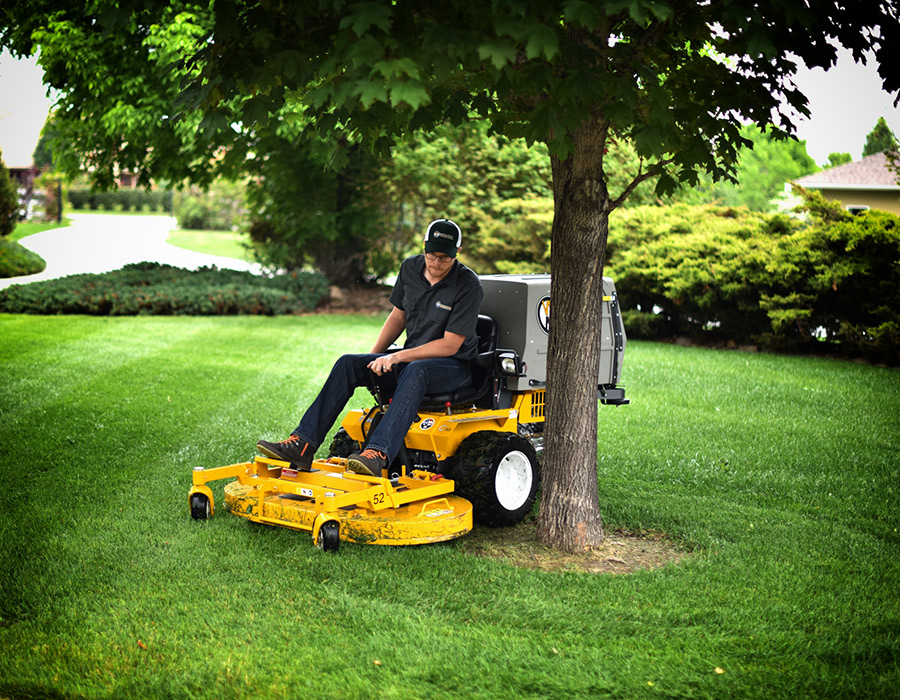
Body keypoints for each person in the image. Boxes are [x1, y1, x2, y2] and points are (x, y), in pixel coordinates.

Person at [257, 219, 484, 477]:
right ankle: (302, 443)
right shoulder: (409, 268)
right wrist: (373, 358)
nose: (436, 262)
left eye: (445, 257)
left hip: (454, 367)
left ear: (457, 252)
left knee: (416, 370)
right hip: (412, 362)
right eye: (432, 254)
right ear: (424, 247)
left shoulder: (468, 284)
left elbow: (450, 344)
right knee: (348, 363)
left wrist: (397, 356)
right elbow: (398, 316)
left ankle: (377, 454)